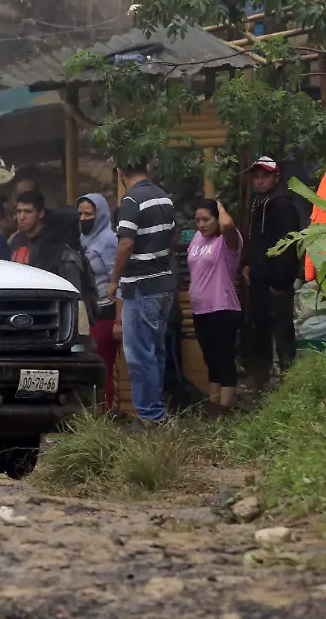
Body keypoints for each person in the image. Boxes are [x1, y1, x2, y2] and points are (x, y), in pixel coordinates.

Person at [108, 159, 177, 426]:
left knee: (139, 354)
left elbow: (126, 244)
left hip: (140, 285)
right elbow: (171, 240)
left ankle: (150, 415)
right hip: (163, 284)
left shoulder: (131, 200)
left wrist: (114, 281)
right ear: (147, 168)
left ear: (121, 172)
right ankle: (156, 411)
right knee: (155, 351)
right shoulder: (164, 197)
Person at [241, 156, 302, 389]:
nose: (260, 180)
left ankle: (287, 388)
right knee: (260, 336)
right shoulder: (258, 203)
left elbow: (288, 246)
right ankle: (262, 388)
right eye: (256, 176)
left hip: (276, 286)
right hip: (258, 283)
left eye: (265, 176)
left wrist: (280, 283)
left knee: (281, 338)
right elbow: (255, 240)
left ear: (276, 177)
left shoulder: (282, 205)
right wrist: (248, 264)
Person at [188, 200, 243, 413]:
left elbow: (228, 225)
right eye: (198, 220)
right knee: (211, 359)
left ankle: (225, 408)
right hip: (200, 309)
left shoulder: (227, 241)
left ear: (217, 218)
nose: (201, 225)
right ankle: (213, 406)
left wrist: (220, 207)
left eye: (206, 219)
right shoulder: (197, 238)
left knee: (224, 358)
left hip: (222, 307)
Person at [78, 193, 122, 411]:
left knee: (102, 364)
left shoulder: (109, 240)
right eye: (80, 214)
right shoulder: (82, 239)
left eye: (89, 214)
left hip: (106, 311)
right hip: (87, 312)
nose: (84, 219)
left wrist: (119, 320)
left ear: (101, 214)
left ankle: (105, 414)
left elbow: (118, 279)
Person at [9, 190, 47, 265]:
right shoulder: (17, 239)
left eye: (27, 212)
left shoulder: (50, 243)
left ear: (40, 213)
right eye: (19, 211)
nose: (21, 217)